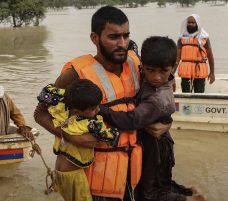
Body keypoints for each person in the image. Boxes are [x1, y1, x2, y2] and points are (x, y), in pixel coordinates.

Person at [34, 6, 170, 201]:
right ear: (95, 38)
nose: (122, 43)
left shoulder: (136, 63)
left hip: (134, 176)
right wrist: (70, 136)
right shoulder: (75, 73)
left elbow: (159, 97)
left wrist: (167, 123)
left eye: (126, 36)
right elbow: (40, 114)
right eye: (114, 37)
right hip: (96, 182)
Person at [99, 36, 207, 201]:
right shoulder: (151, 76)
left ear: (173, 68)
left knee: (150, 193)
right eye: (150, 70)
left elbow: (131, 120)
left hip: (157, 146)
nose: (156, 77)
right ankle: (191, 191)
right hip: (156, 140)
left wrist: (100, 109)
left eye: (163, 71)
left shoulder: (157, 99)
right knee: (159, 182)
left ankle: (190, 199)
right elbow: (134, 48)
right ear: (142, 66)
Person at [37, 79, 119, 201]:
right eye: (93, 108)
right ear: (76, 111)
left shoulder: (61, 110)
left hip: (60, 171)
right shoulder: (89, 125)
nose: (98, 110)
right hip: (73, 174)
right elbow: (107, 137)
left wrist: (68, 93)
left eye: (98, 105)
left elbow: (47, 92)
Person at [176, 14, 215, 93]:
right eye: (189, 22)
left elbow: (210, 56)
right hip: (186, 71)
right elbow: (177, 58)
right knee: (186, 94)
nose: (190, 24)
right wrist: (171, 73)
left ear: (197, 23)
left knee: (199, 94)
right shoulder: (182, 38)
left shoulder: (204, 37)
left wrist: (212, 73)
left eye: (193, 22)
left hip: (200, 70)